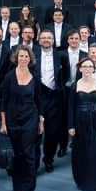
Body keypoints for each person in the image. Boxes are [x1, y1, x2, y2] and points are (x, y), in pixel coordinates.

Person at [0, 46, 44, 191]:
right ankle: (17, 188)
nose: (23, 58)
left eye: (26, 56)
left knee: (29, 155)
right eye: (21, 56)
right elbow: (3, 101)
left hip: (30, 120)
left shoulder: (35, 77)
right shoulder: (9, 77)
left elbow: (39, 101)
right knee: (17, 156)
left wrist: (41, 121)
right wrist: (3, 123)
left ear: (30, 59)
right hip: (12, 120)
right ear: (16, 58)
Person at [67, 58, 96, 191]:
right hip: (80, 124)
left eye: (90, 66)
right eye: (84, 66)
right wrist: (71, 126)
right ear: (80, 69)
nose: (87, 69)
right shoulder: (75, 85)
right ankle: (84, 181)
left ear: (93, 69)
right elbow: (71, 107)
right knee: (82, 153)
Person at [35, 30, 65, 172]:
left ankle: (48, 159)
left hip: (54, 97)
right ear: (39, 40)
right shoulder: (33, 55)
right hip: (37, 96)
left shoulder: (61, 56)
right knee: (35, 131)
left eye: (49, 38)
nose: (46, 40)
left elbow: (64, 76)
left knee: (52, 132)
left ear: (53, 40)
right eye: (43, 38)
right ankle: (34, 162)